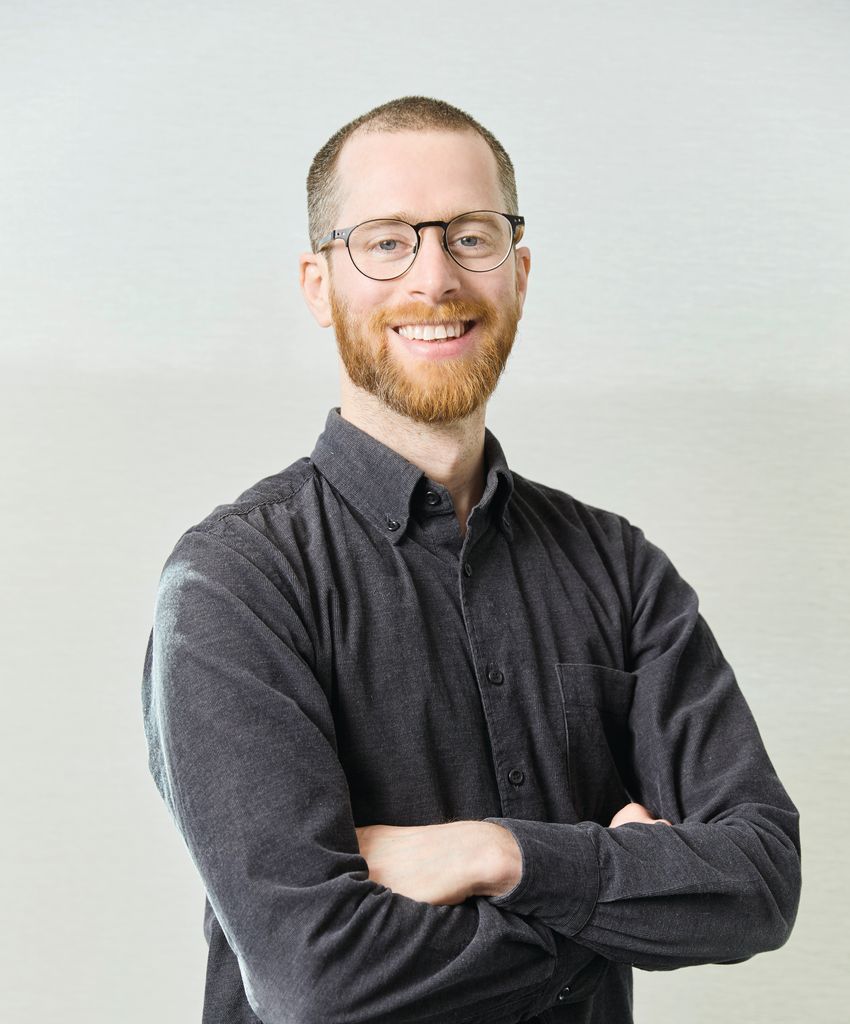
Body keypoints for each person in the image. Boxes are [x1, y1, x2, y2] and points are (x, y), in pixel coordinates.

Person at [141, 96, 801, 1024]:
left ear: (519, 272)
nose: (436, 277)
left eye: (471, 236)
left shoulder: (620, 568)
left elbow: (762, 881)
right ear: (319, 283)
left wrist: (499, 854)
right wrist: (612, 897)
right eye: (384, 241)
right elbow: (314, 976)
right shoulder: (235, 582)